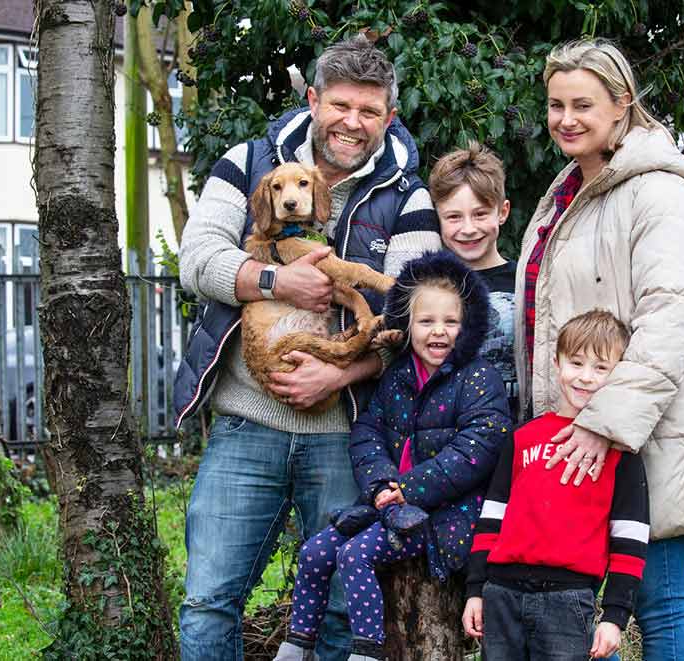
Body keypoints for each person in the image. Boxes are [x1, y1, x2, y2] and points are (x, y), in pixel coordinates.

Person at [174, 34, 442, 661]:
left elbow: (418, 312)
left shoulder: (411, 196)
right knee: (208, 600)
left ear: (389, 118)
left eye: (369, 111)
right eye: (341, 105)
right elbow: (198, 258)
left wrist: (342, 377)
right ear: (314, 99)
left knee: (342, 615)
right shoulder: (247, 162)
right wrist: (275, 279)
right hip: (247, 423)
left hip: (344, 433)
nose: (353, 122)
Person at [513, 38, 684, 660]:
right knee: (575, 609)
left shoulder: (657, 191)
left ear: (621, 106)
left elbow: (671, 315)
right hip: (579, 439)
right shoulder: (569, 190)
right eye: (556, 105)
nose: (566, 119)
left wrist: (605, 423)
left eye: (582, 104)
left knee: (660, 604)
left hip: (648, 435)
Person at [272, 250, 511, 661]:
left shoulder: (479, 378)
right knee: (314, 552)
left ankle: (366, 651)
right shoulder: (397, 375)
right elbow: (367, 431)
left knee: (355, 554)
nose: (439, 332)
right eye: (427, 321)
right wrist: (382, 483)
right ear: (407, 324)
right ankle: (297, 646)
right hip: (387, 504)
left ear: (467, 326)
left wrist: (407, 488)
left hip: (442, 515)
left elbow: (478, 449)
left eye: (451, 322)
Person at [463, 310, 649, 660]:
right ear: (557, 363)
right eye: (576, 363)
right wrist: (476, 590)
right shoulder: (522, 437)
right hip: (501, 592)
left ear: (618, 376)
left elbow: (630, 539)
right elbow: (491, 518)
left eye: (601, 368)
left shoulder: (621, 454)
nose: (585, 377)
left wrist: (614, 616)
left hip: (568, 599)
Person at [428, 143, 520, 419]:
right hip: (444, 428)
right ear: (438, 220)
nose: (468, 229)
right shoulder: (429, 286)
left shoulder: (527, 282)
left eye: (480, 214)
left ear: (502, 212)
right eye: (454, 217)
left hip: (513, 430)